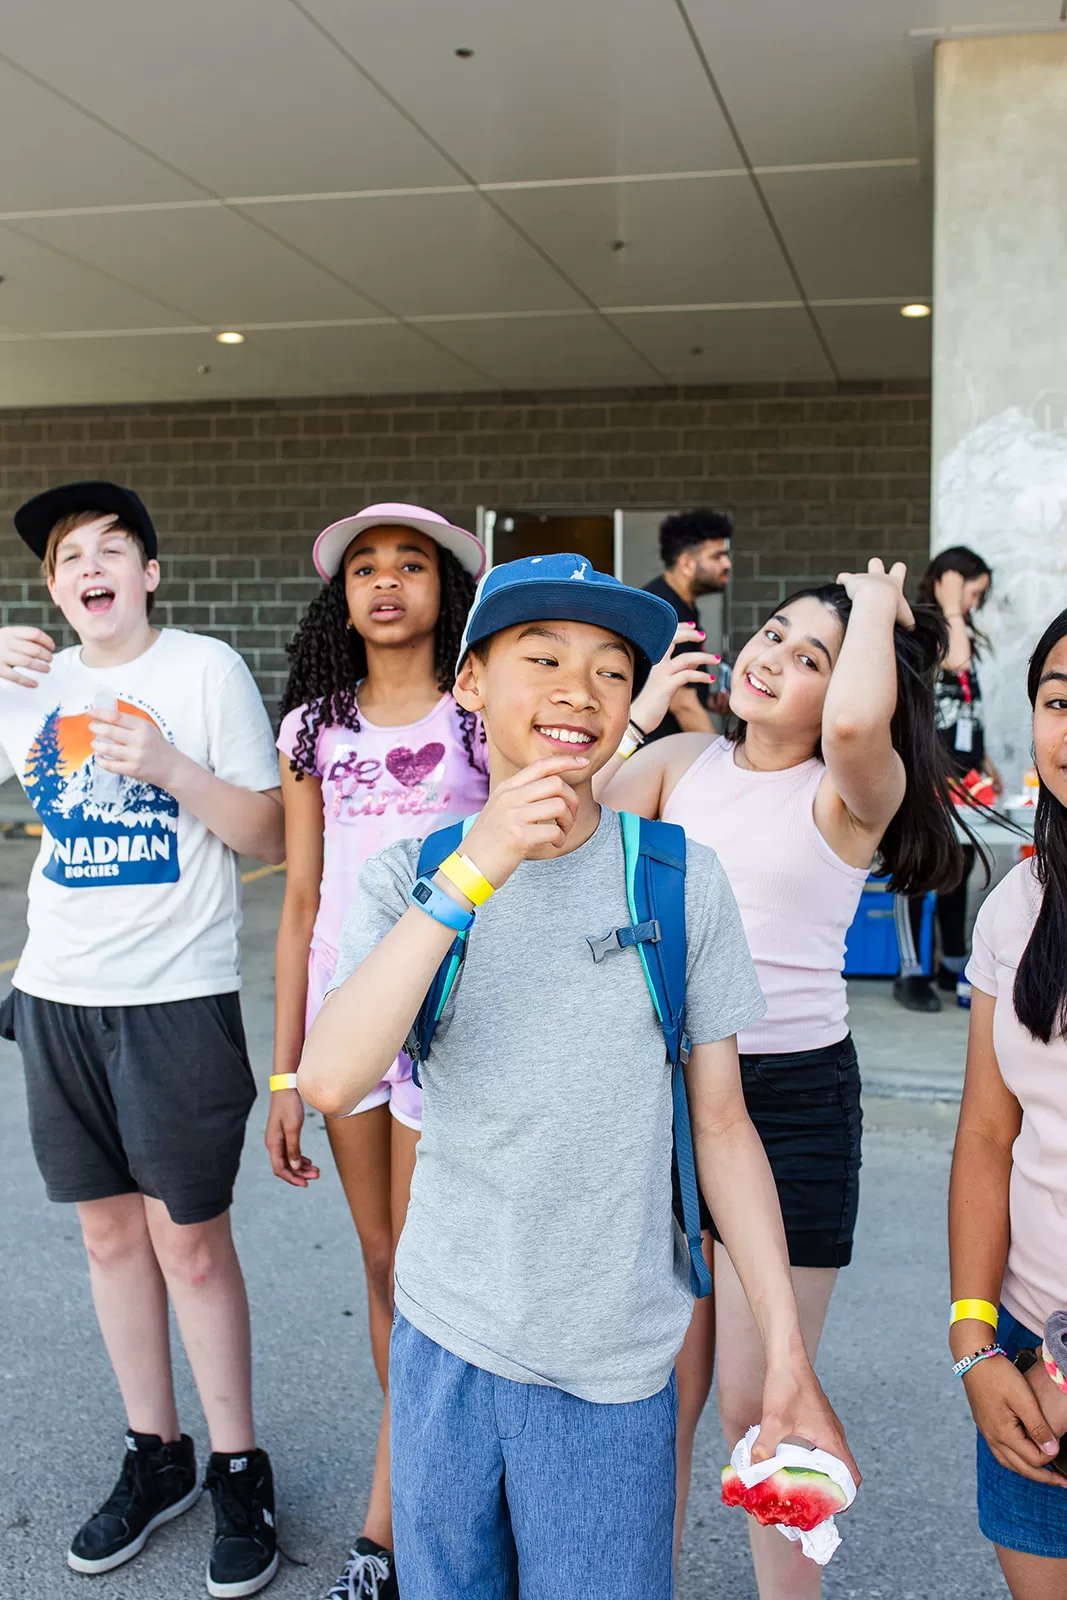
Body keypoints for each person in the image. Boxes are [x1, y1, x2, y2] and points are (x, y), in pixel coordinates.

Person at [297, 551, 858, 1600]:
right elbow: (331, 1078)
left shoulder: (676, 878)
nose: (577, 689)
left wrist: (785, 1353)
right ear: (470, 682)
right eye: (541, 656)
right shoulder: (410, 876)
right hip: (444, 1345)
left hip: (614, 1369)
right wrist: (477, 866)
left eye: (610, 670)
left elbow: (725, 1128)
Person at [599, 559, 972, 1597]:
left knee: (755, 1398)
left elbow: (856, 724)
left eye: (809, 655)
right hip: (668, 1093)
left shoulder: (849, 791)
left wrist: (876, 603)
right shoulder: (680, 761)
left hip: (793, 1102)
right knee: (657, 1390)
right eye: (768, 633)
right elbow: (562, 822)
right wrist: (634, 711)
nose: (769, 656)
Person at [0, 482, 286, 1597]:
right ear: (53, 587)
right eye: (70, 556)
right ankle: (154, 1452)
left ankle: (237, 1464)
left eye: (112, 548)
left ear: (150, 573)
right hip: (56, 994)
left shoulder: (201, 670)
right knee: (109, 1243)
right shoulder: (34, 678)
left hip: (175, 999)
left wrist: (168, 767)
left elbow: (265, 827)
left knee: (191, 1244)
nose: (90, 566)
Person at [268, 503, 487, 1600]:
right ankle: (404, 1507)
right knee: (388, 1263)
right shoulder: (310, 728)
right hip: (347, 1032)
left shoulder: (481, 714)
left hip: (459, 1023)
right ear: (340, 597)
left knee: (450, 1268)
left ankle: (409, 1512)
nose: (387, 581)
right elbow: (300, 899)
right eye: (364, 567)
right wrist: (283, 1070)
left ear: (448, 591)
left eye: (411, 564)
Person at [949, 607, 1067, 1600]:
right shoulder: (1014, 904)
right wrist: (971, 1338)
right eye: (1058, 701)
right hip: (1026, 1356)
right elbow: (987, 1136)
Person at [894, 545, 999, 1013]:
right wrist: (953, 605)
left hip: (964, 775)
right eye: (972, 592)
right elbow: (953, 665)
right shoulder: (925, 627)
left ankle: (950, 961)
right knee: (920, 866)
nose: (974, 604)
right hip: (928, 771)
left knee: (959, 862)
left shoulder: (963, 630)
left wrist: (987, 758)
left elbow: (965, 700)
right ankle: (911, 969)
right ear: (951, 580)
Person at [643, 508, 732, 740]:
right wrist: (721, 765)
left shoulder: (680, 603)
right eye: (717, 556)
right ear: (686, 564)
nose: (727, 564)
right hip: (655, 756)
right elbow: (682, 704)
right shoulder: (664, 610)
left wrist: (708, 699)